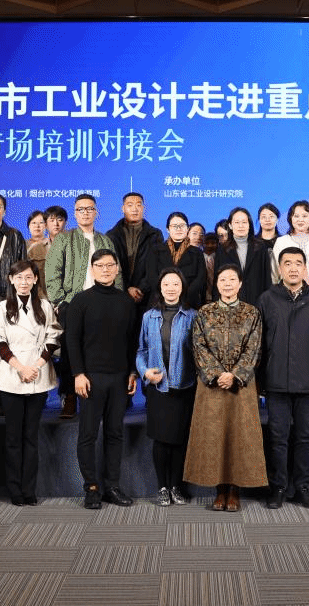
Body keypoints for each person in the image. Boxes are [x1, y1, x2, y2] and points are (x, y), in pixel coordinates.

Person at [184, 263, 267, 510]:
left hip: (241, 385)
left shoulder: (251, 313)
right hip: (212, 385)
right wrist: (217, 374)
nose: (227, 284)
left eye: (232, 279)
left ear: (240, 284)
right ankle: (219, 490)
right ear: (216, 284)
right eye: (222, 280)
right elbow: (198, 346)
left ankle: (235, 490)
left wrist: (235, 375)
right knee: (214, 436)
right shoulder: (204, 312)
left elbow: (254, 348)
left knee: (239, 437)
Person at [257, 246, 309, 508]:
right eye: (287, 263)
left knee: (306, 437)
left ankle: (303, 488)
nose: (293, 268)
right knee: (278, 437)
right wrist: (260, 379)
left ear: (305, 268)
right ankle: (278, 487)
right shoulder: (267, 299)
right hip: (276, 380)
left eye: (298, 263)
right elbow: (259, 344)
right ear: (280, 268)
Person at [67, 248, 138, 508]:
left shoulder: (126, 301)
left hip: (119, 377)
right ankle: (91, 488)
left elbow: (132, 340)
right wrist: (78, 373)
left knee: (115, 433)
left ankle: (112, 487)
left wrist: (132, 372)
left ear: (117, 269)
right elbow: (71, 340)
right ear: (92, 269)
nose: (105, 270)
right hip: (90, 378)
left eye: (110, 265)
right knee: (88, 434)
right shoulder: (80, 300)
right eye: (100, 265)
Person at [0, 262, 62, 506]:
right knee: (13, 437)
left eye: (28, 277)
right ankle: (14, 489)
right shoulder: (2, 307)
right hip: (12, 374)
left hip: (38, 373)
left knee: (31, 436)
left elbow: (53, 337)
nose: (24, 282)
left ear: (35, 279)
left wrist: (36, 366)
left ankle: (29, 489)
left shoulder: (45, 306)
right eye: (19, 277)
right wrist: (20, 367)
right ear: (10, 279)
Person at [44, 194, 122, 419]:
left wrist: (118, 299)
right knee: (70, 350)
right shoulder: (64, 239)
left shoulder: (106, 240)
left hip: (104, 301)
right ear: (75, 213)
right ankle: (69, 395)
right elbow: (52, 272)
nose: (85, 213)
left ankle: (100, 395)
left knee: (102, 349)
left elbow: (117, 272)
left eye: (89, 209)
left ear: (96, 212)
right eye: (80, 209)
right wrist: (60, 301)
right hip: (73, 303)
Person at [136, 268, 197, 506]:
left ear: (182, 287)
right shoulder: (148, 317)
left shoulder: (193, 316)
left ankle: (176, 486)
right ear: (160, 288)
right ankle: (162, 487)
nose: (171, 288)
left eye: (175, 284)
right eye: (166, 284)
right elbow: (141, 350)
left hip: (184, 385)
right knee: (161, 440)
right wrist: (144, 371)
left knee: (180, 439)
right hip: (158, 386)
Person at [106, 191, 165, 315]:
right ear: (123, 208)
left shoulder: (155, 234)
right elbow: (110, 266)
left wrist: (140, 289)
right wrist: (126, 289)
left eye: (138, 205)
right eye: (130, 205)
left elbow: (156, 265)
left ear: (143, 208)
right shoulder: (111, 235)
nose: (135, 209)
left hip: (146, 297)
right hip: (119, 295)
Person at [215, 206, 272, 303]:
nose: (240, 226)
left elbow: (267, 278)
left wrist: (267, 302)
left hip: (257, 300)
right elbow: (217, 281)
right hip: (231, 302)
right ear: (230, 225)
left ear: (249, 225)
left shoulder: (260, 247)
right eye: (237, 222)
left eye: (244, 222)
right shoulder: (222, 249)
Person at [155, 211, 207, 308]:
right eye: (174, 226)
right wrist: (167, 295)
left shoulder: (197, 253)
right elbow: (152, 277)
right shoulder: (156, 250)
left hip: (189, 303)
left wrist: (183, 295)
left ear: (187, 228)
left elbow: (200, 278)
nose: (178, 229)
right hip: (161, 302)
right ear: (167, 229)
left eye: (182, 226)